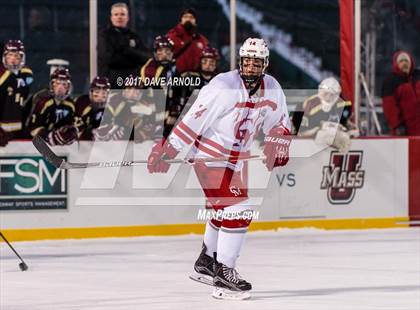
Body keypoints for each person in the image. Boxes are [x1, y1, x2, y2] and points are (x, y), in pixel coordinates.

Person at [147, 38, 291, 300]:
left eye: (256, 62)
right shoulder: (223, 85)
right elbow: (193, 120)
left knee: (224, 210)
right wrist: (169, 149)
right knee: (238, 209)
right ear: (239, 62)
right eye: (246, 61)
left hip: (235, 159)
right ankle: (225, 274)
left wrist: (279, 141)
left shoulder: (272, 87)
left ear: (265, 65)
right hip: (209, 155)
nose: (250, 67)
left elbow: (281, 120)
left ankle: (206, 262)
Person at [293, 77, 357, 153]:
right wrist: (321, 128)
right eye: (326, 94)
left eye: (332, 95)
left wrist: (349, 128)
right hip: (306, 146)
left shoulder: (342, 106)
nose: (328, 97)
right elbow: (300, 133)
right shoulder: (308, 106)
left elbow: (344, 123)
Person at [98, 2, 150, 88]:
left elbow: (147, 58)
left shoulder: (134, 36)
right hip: (112, 85)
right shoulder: (104, 36)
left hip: (132, 87)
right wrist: (134, 60)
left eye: (122, 14)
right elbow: (109, 59)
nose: (119, 17)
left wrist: (127, 50)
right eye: (116, 14)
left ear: (127, 18)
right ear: (111, 18)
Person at [139, 35, 177, 139]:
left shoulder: (172, 67)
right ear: (156, 52)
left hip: (167, 111)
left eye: (167, 50)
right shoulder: (150, 69)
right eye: (160, 50)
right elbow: (151, 97)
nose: (164, 54)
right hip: (152, 115)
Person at [28, 68, 77, 146]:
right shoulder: (43, 102)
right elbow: (32, 128)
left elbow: (71, 125)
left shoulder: (71, 105)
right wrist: (48, 136)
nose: (60, 88)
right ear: (52, 85)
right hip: (36, 145)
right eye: (57, 83)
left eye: (64, 84)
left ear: (68, 87)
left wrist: (70, 133)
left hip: (60, 148)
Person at [0, 40, 33, 146]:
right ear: (4, 57)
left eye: (17, 56)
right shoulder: (2, 76)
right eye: (10, 55)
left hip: (18, 128)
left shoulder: (26, 73)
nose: (13, 59)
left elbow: (27, 79)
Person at [381, 50, 420, 135]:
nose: (404, 63)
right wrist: (397, 125)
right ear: (396, 64)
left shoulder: (417, 77)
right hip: (404, 130)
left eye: (406, 61)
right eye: (401, 61)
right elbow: (389, 106)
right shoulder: (390, 81)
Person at [167, 8, 208, 73]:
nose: (188, 19)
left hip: (197, 78)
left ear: (195, 22)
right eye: (185, 17)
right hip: (176, 77)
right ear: (180, 20)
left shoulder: (202, 40)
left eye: (191, 17)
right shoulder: (172, 36)